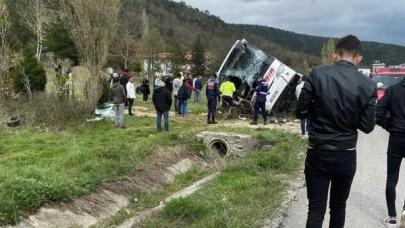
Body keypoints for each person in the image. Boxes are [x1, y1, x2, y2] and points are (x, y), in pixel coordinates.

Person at [296, 35, 376, 228]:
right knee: (338, 208)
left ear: (334, 55)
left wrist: (320, 108)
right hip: (345, 155)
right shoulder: (368, 85)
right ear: (359, 58)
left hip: (318, 151)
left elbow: (300, 112)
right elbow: (367, 126)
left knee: (315, 209)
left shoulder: (316, 74)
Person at [376, 77, 405, 227]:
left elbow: (378, 113)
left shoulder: (393, 90)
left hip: (397, 138)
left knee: (392, 179)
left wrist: (390, 127)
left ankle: (392, 217)